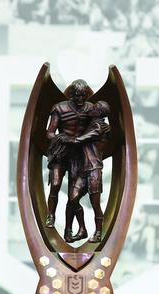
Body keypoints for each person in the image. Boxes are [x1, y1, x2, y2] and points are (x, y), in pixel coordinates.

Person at [45, 79, 109, 243]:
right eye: (77, 96)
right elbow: (50, 133)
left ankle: (71, 229)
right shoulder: (60, 108)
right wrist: (63, 138)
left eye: (83, 96)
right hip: (61, 151)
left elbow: (99, 124)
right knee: (56, 183)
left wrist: (104, 127)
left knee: (73, 197)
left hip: (80, 157)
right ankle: (51, 215)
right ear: (71, 95)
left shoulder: (90, 109)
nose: (80, 99)